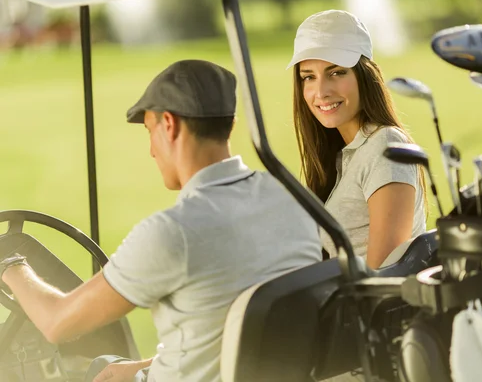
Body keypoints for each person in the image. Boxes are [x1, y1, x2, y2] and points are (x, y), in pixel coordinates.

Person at [0, 60, 322, 382]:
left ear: (169, 124)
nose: (152, 150)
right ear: (230, 124)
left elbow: (57, 322)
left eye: (149, 131)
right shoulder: (293, 199)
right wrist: (145, 367)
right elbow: (233, 334)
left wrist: (11, 264)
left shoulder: (173, 233)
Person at [287, 10, 428, 270]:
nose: (321, 92)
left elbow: (384, 276)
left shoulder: (386, 147)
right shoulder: (343, 154)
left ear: (364, 75)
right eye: (309, 77)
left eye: (337, 72)